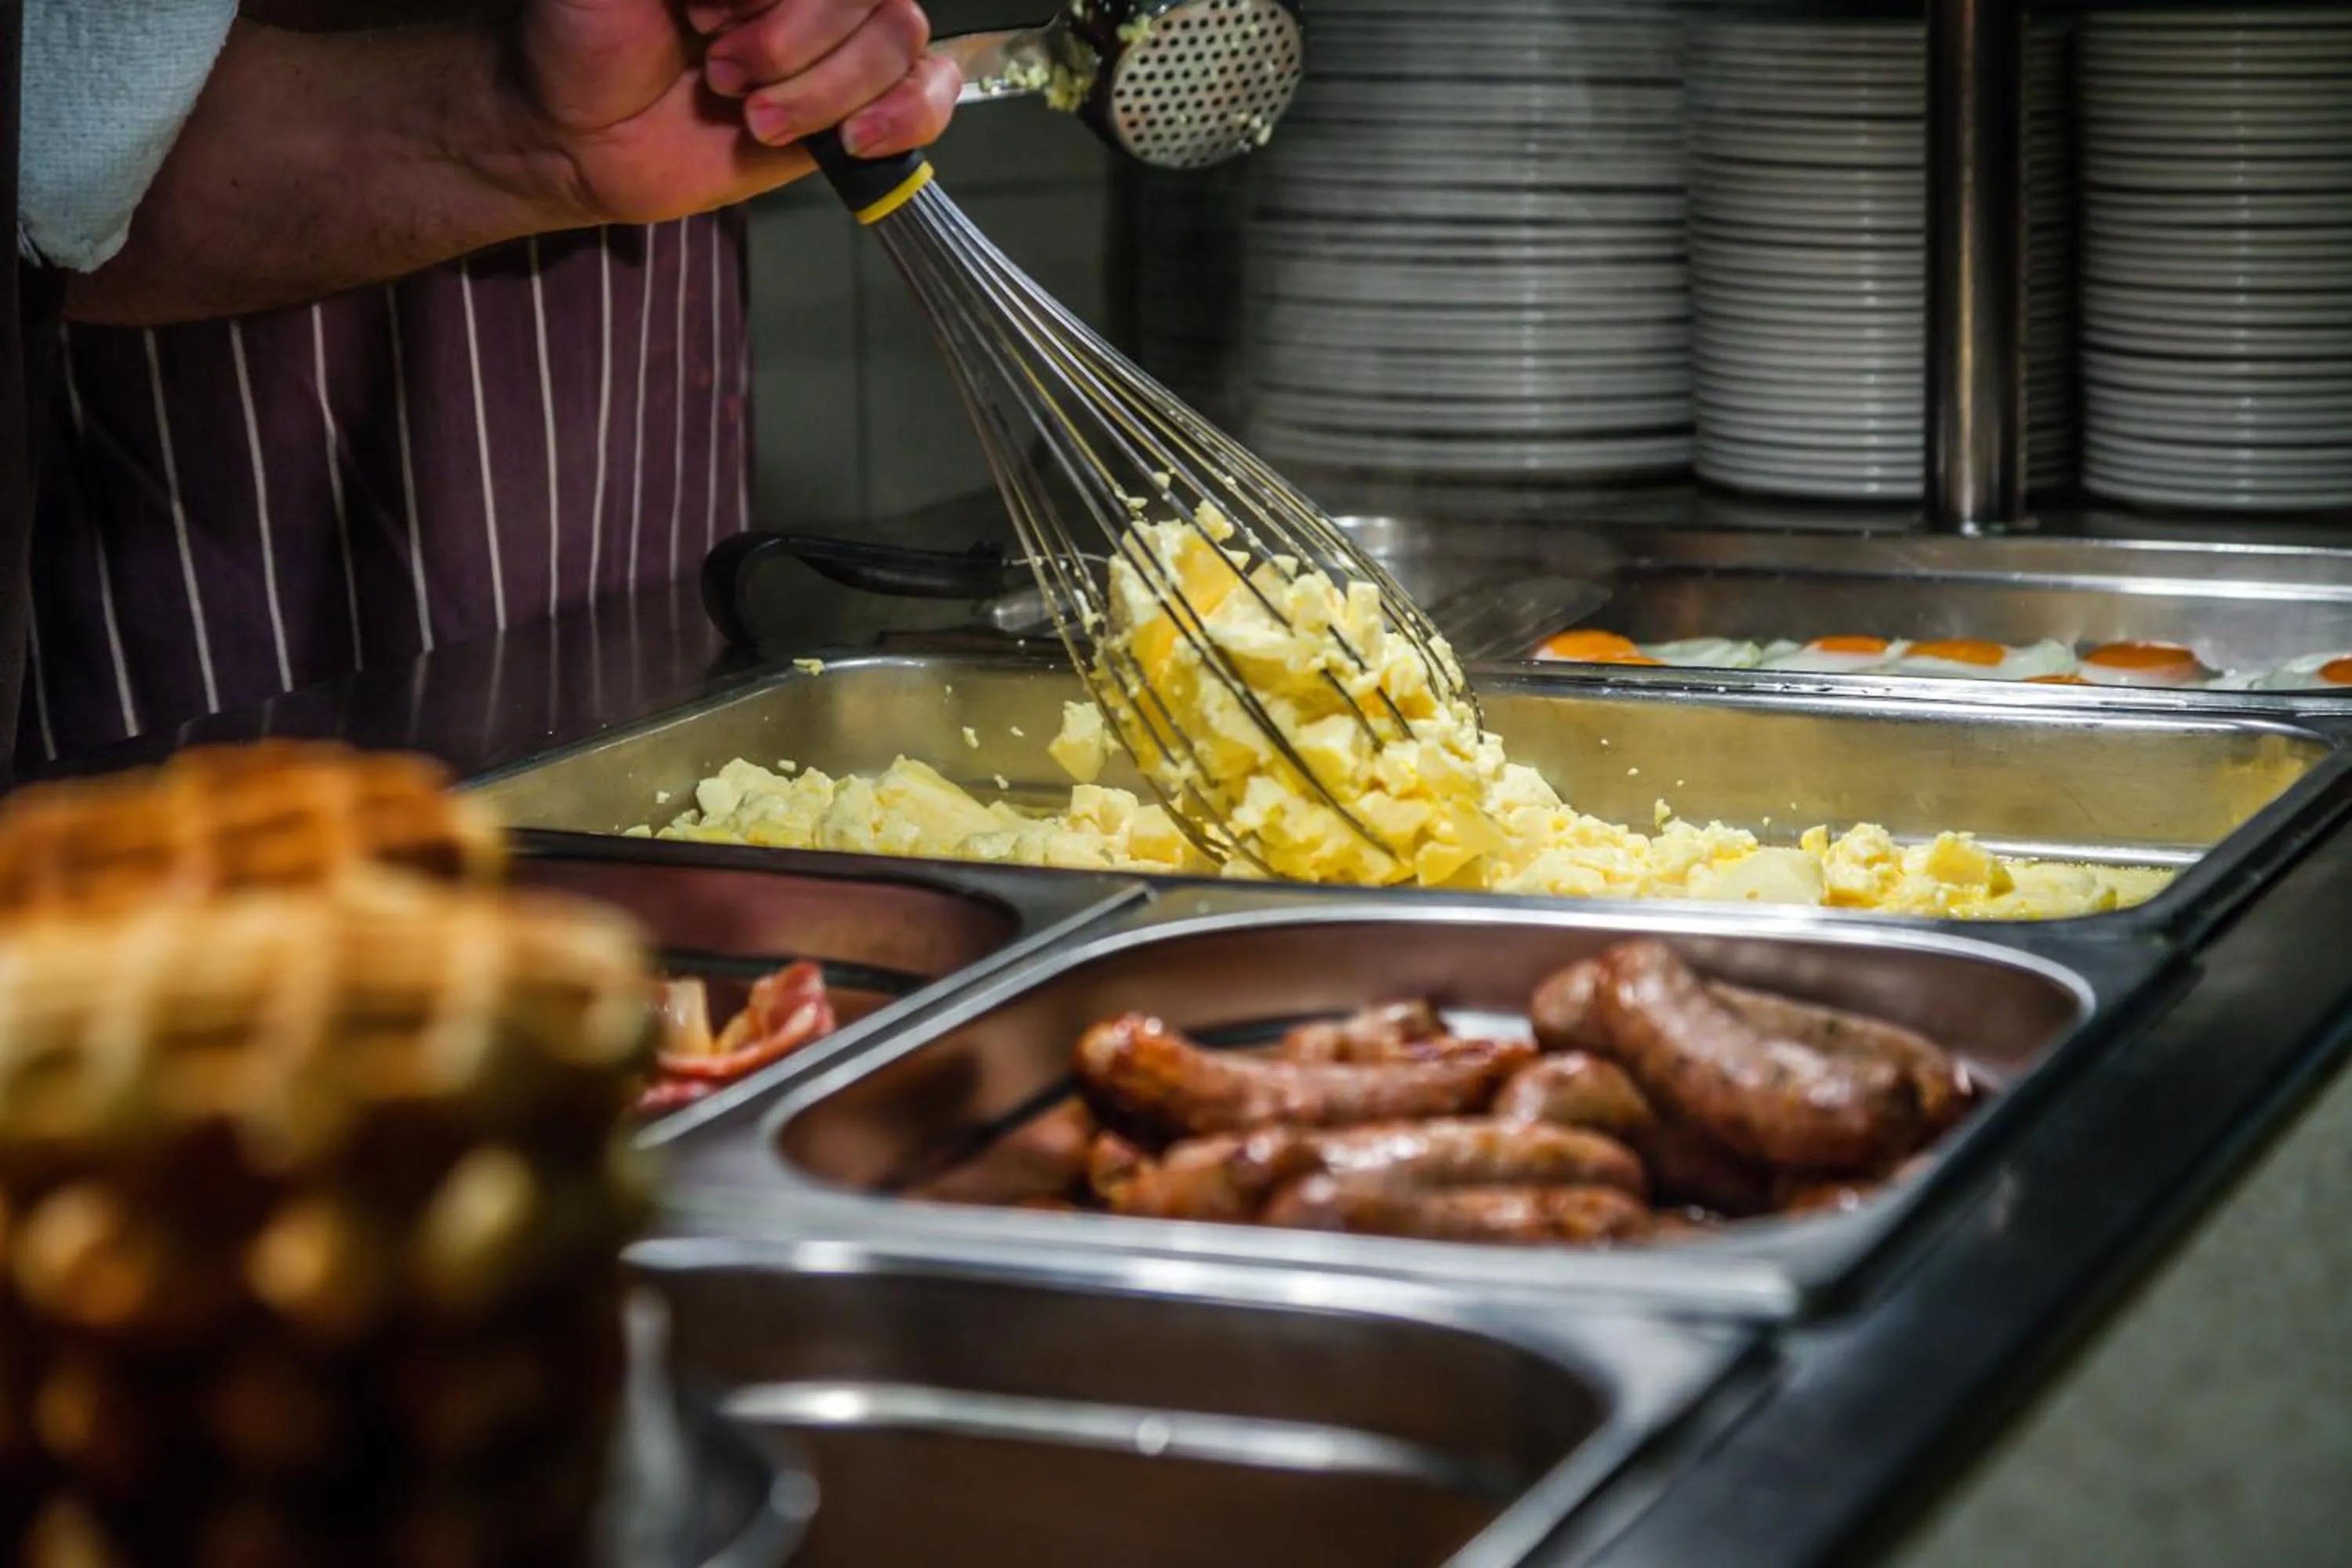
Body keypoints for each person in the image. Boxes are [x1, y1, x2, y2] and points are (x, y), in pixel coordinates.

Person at [12, 0, 959, 767]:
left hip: (633, 256)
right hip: (202, 453)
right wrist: (514, 133)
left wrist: (557, 150)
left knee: (655, 802)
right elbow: (59, 142)